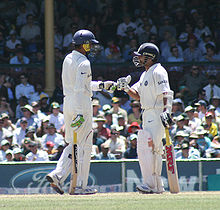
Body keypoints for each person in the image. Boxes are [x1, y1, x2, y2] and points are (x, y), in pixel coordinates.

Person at [46, 29, 116, 195]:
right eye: (90, 44)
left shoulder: (68, 59)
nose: (91, 47)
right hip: (81, 105)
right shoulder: (84, 62)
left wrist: (102, 85)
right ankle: (80, 186)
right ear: (84, 44)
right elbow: (80, 89)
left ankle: (57, 175)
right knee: (84, 147)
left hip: (68, 103)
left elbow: (82, 85)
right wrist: (79, 113)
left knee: (73, 144)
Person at [116, 43, 173, 194]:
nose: (138, 58)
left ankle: (152, 185)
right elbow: (137, 94)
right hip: (146, 113)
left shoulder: (159, 71)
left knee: (153, 148)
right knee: (146, 149)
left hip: (157, 112)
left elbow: (166, 92)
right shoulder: (145, 73)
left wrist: (167, 110)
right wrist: (126, 88)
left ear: (149, 57)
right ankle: (155, 185)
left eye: (140, 55)